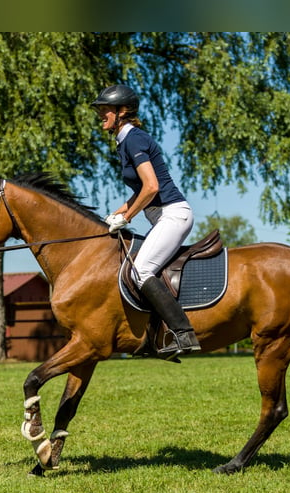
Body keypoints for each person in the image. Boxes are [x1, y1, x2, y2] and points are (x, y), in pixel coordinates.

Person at [92, 84, 201, 360]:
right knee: (135, 266)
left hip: (173, 214)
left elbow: (151, 187)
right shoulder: (125, 141)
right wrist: (113, 216)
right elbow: (140, 193)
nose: (100, 114)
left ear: (122, 111)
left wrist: (126, 217)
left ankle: (183, 333)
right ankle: (153, 336)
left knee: (140, 270)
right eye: (100, 109)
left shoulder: (134, 139)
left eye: (105, 109)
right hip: (162, 216)